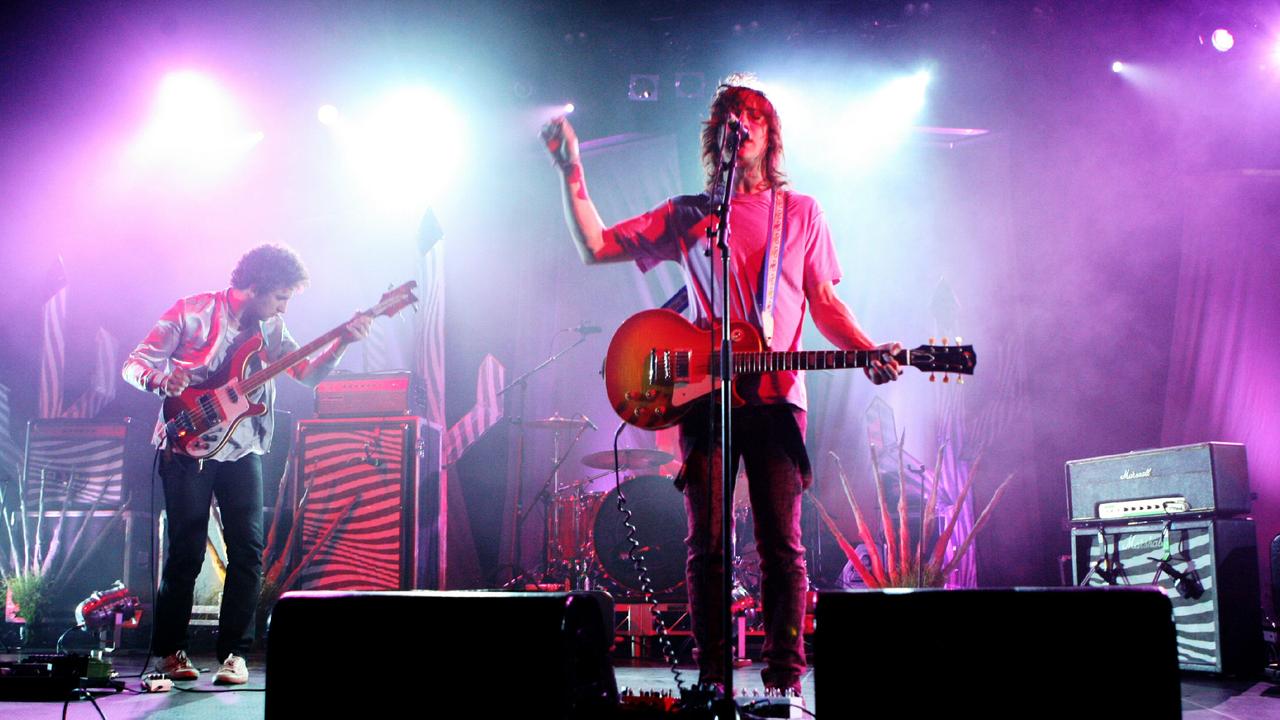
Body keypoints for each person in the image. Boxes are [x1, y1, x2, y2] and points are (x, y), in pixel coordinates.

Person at [542, 77, 902, 693]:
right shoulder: (695, 215)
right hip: (704, 399)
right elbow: (595, 246)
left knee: (781, 546)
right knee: (706, 543)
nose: (745, 122)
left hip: (776, 398)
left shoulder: (803, 213)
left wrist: (867, 350)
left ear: (771, 133)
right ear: (719, 135)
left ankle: (786, 680)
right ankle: (712, 679)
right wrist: (570, 168)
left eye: (756, 115)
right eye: (734, 115)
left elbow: (824, 303)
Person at [122, 244, 371, 685]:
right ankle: (167, 653)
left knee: (248, 551)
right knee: (186, 550)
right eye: (280, 296)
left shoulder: (272, 328)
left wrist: (341, 344)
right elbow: (134, 363)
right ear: (254, 288)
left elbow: (306, 373)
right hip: (187, 441)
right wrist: (162, 379)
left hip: (244, 445)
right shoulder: (191, 311)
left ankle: (234, 654)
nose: (284, 306)